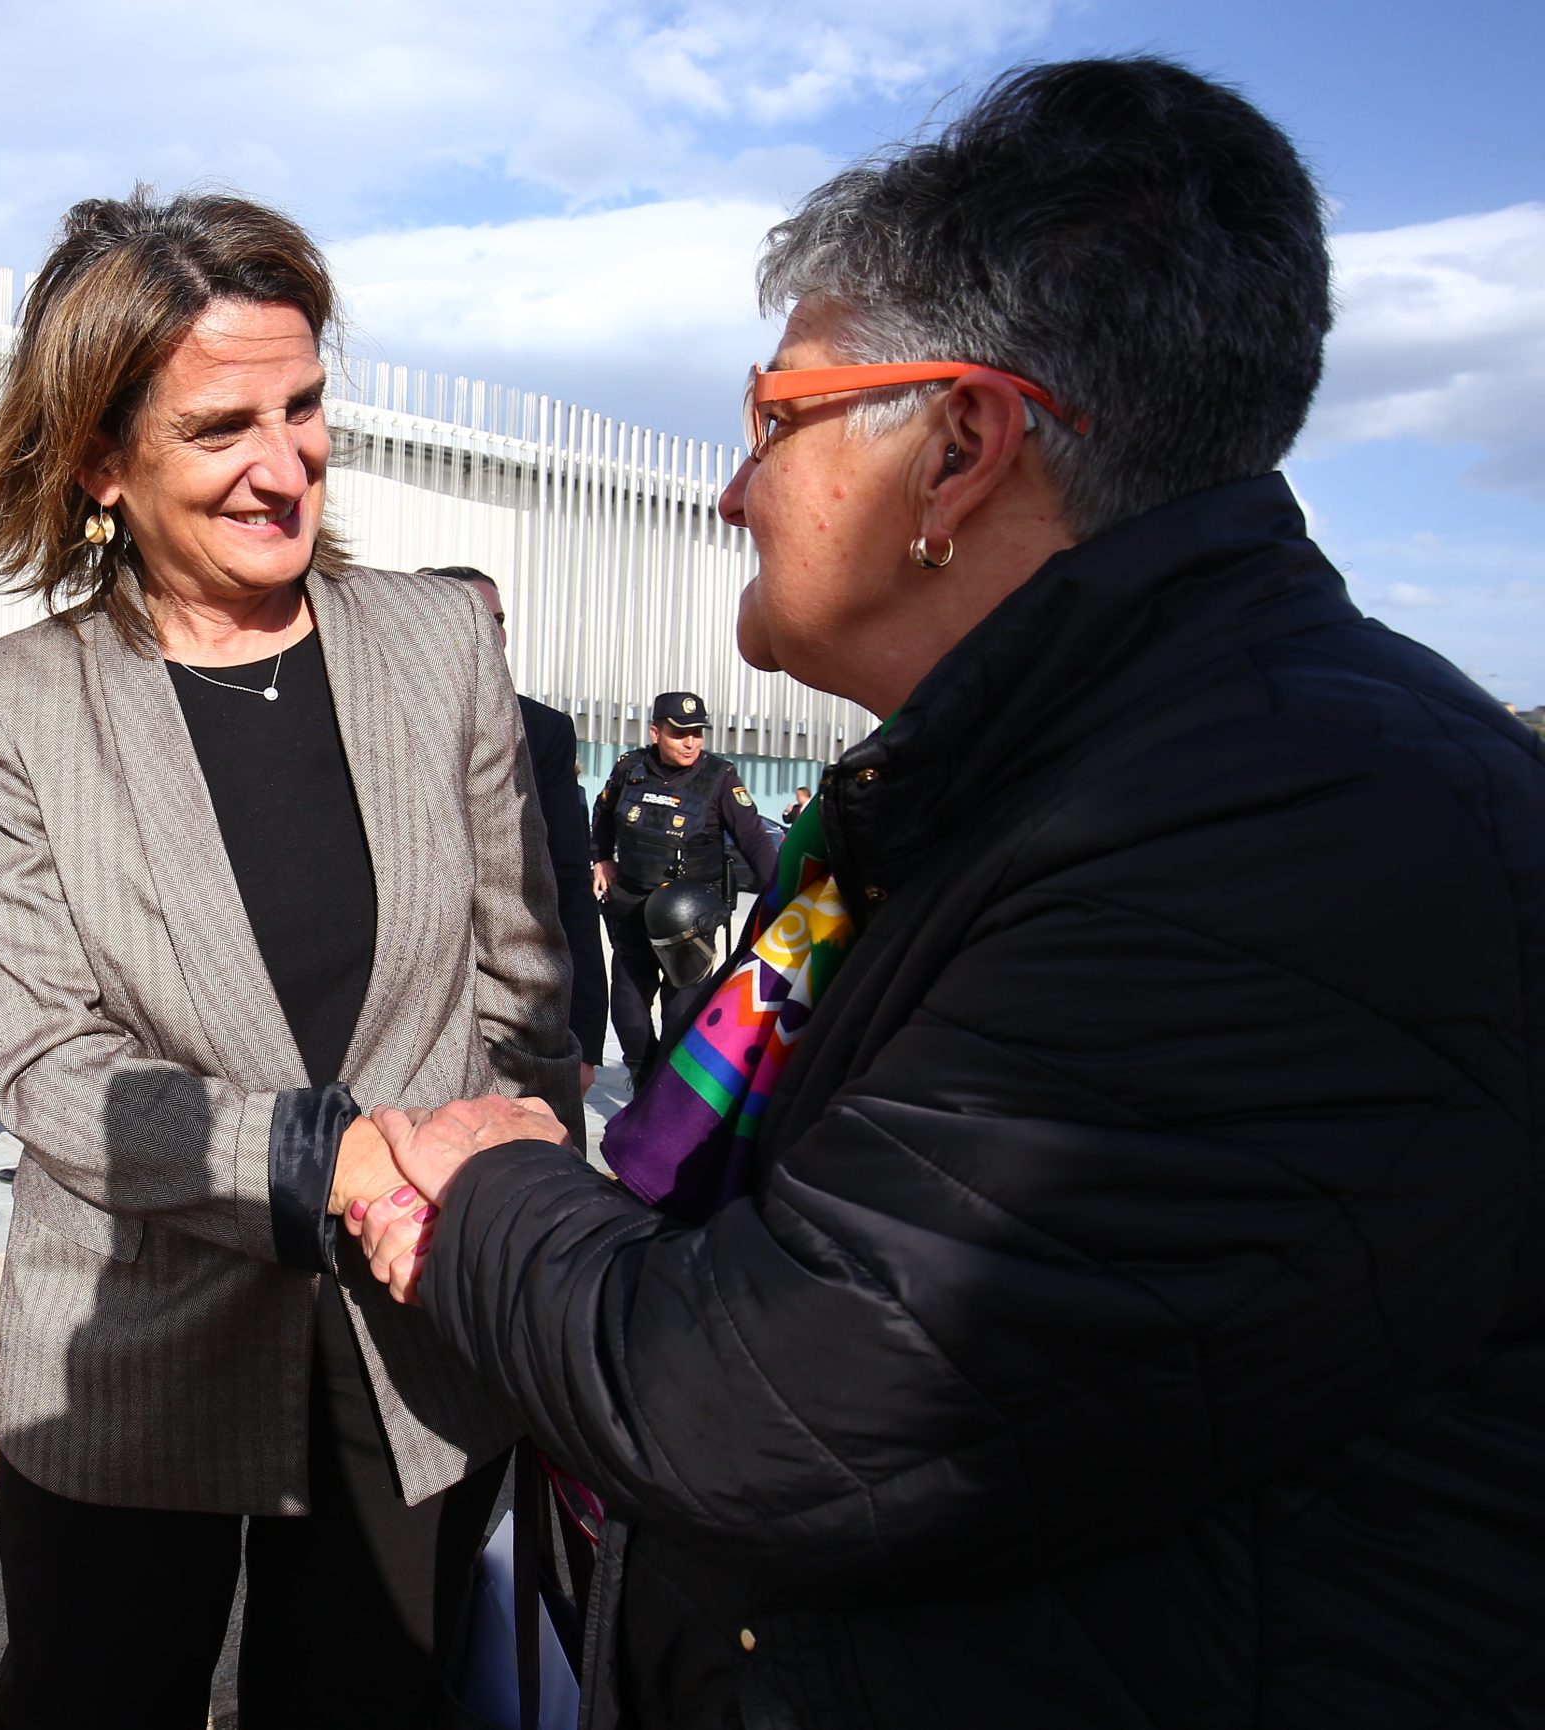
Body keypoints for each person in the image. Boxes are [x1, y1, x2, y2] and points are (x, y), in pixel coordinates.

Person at [352, 58, 1545, 1730]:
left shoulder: (1286, 825)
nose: (732, 488)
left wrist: (491, 1192)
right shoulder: (1009, 785)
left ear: (963, 446)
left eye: (774, 420)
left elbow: (770, 1406)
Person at [0, 188, 583, 1730]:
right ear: (99, 457)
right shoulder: (12, 707)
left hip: (417, 1341)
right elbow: (49, 1064)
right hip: (135, 1341)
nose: (285, 466)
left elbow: (528, 984)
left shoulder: (438, 647)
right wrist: (334, 1160)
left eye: (305, 409)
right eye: (223, 426)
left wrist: (515, 1204)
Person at [427, 564, 607, 1099]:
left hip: (509, 1005)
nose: (493, 633)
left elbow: (568, 883)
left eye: (499, 619)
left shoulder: (544, 730)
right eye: (476, 618)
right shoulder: (369, 719)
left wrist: (586, 1037)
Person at [589, 691, 778, 1083]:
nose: (691, 742)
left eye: (697, 733)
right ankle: (642, 1078)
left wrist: (781, 893)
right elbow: (603, 813)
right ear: (656, 732)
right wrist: (601, 856)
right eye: (680, 733)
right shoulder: (630, 768)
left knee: (681, 1013)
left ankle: (667, 1086)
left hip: (688, 920)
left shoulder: (719, 777)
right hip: (632, 906)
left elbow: (755, 839)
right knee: (628, 1007)